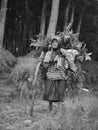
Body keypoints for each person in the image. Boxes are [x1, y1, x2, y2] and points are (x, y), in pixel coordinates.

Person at [42, 37, 67, 112]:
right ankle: (50, 108)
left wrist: (63, 65)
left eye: (56, 42)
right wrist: (52, 60)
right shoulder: (49, 53)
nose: (54, 44)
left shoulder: (63, 52)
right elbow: (45, 64)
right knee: (50, 91)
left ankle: (59, 110)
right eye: (53, 42)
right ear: (51, 44)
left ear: (59, 44)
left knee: (60, 91)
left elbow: (67, 63)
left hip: (61, 74)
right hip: (51, 73)